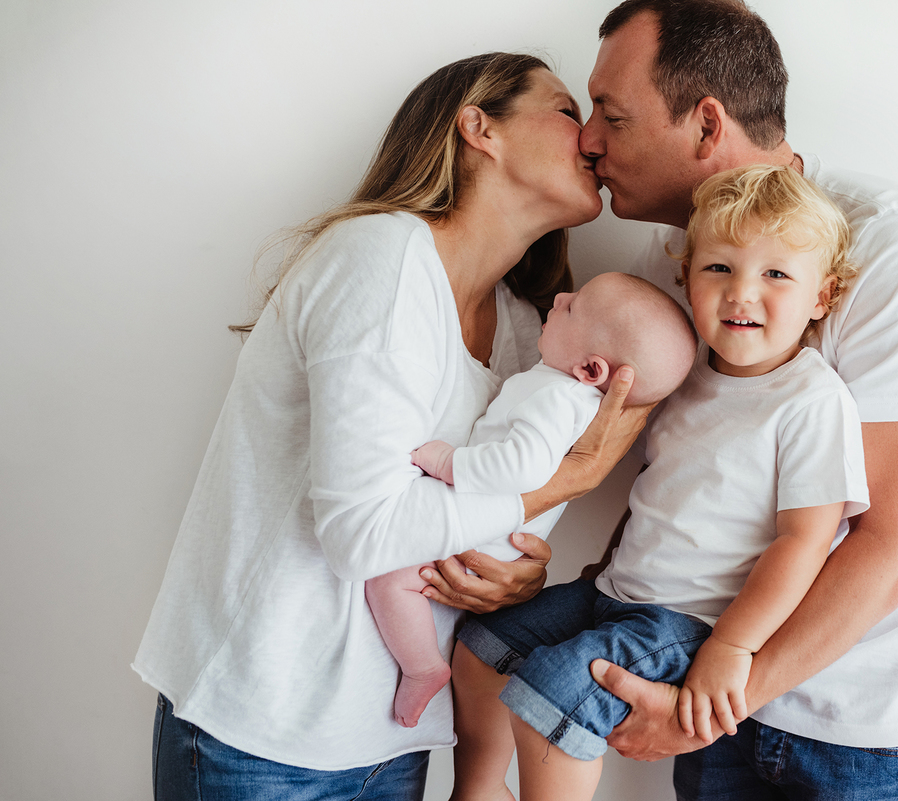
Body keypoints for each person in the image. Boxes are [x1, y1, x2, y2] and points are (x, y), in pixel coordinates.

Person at [132, 52, 650, 801]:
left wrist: (508, 578)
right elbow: (363, 534)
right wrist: (568, 480)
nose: (596, 140)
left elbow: (463, 517)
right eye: (569, 110)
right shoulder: (379, 256)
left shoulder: (526, 329)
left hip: (392, 735)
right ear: (480, 128)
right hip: (265, 733)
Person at [515, 1, 898, 798]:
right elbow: (663, 462)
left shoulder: (893, 251)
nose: (588, 138)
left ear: (706, 126)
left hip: (860, 734)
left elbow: (888, 546)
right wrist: (504, 549)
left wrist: (708, 705)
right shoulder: (672, 258)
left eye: (611, 113)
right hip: (711, 692)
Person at [450, 163, 870, 801]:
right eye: (718, 268)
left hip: (690, 620)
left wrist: (733, 648)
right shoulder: (686, 374)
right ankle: (479, 790)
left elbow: (806, 542)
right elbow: (653, 484)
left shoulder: (812, 401)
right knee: (485, 641)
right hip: (615, 591)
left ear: (822, 297)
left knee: (555, 690)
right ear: (687, 277)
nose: (740, 293)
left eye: (776, 274)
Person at [365, 271, 695, 728]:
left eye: (573, 306)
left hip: (489, 538)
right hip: (496, 529)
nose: (559, 297)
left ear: (591, 369)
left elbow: (524, 467)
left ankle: (422, 668)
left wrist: (449, 463)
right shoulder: (564, 395)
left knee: (387, 582)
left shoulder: (558, 397)